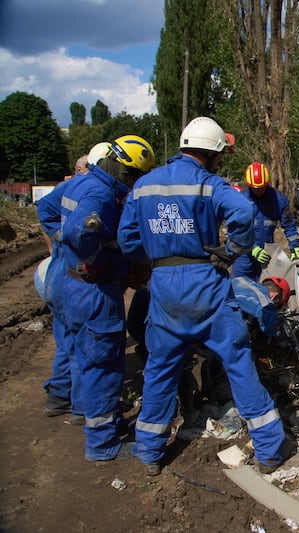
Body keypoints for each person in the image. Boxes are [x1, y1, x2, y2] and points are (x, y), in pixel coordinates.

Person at [117, 116, 287, 476]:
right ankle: (271, 449)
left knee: (161, 369)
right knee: (238, 361)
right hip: (205, 283)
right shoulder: (210, 184)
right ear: (211, 153)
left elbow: (127, 239)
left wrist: (155, 256)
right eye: (220, 155)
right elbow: (242, 211)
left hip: (163, 286)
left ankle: (149, 451)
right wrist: (235, 248)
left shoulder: (144, 185)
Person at [59, 135, 156, 462]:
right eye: (131, 177)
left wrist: (67, 255)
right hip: (96, 290)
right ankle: (102, 444)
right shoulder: (101, 195)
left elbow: (47, 211)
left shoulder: (79, 183)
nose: (131, 185)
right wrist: (98, 260)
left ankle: (92, 416)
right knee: (104, 365)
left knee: (85, 357)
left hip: (71, 284)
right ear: (121, 169)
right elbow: (81, 231)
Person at [36, 142, 112, 424]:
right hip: (74, 271)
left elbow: (44, 209)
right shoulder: (91, 190)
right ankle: (81, 406)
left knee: (66, 339)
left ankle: (58, 396)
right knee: (83, 344)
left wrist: (57, 238)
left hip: (60, 271)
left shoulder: (70, 188)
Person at [231, 162, 299, 280]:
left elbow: (289, 225)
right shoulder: (240, 200)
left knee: (267, 288)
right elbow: (235, 230)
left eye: (262, 188)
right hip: (243, 255)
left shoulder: (278, 200)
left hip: (266, 253)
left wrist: (294, 247)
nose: (258, 191)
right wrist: (251, 248)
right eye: (255, 189)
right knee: (240, 287)